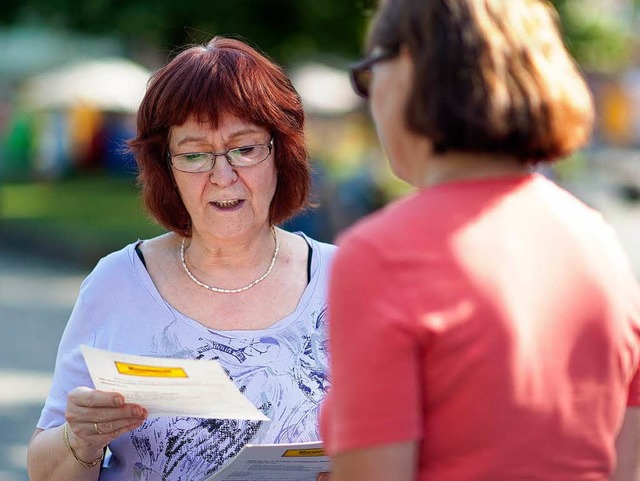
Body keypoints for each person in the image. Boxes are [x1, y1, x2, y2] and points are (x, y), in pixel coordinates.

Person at [320, 1, 640, 480]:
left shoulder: (382, 254)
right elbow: (623, 464)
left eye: (368, 73)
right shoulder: (597, 240)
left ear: (409, 67)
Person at [27, 36, 336, 481]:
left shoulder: (348, 279)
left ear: (280, 154)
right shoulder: (116, 282)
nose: (222, 175)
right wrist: (81, 439)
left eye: (244, 149)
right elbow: (45, 471)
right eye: (194, 155)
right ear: (165, 168)